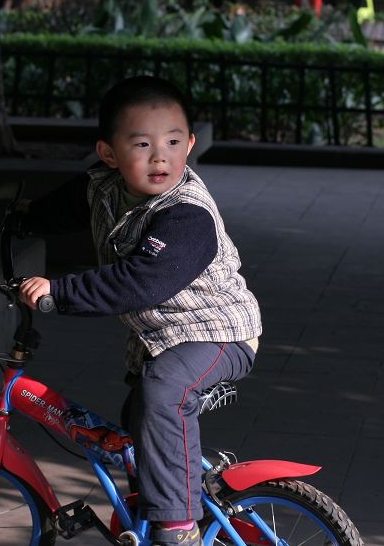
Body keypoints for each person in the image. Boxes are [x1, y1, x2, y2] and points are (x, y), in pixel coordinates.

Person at [18, 76, 261, 546]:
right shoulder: (105, 185)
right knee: (139, 421)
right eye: (142, 144)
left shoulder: (187, 216)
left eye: (173, 142)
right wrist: (24, 218)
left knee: (164, 392)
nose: (160, 157)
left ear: (190, 144)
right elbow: (72, 204)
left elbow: (139, 283)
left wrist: (59, 292)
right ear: (109, 153)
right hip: (164, 338)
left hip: (219, 332)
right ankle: (153, 512)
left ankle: (177, 527)